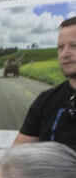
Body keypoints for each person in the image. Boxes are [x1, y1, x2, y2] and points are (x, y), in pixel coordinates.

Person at [13, 15, 76, 151]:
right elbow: (16, 157)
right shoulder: (46, 101)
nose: (65, 54)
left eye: (74, 46)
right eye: (60, 47)